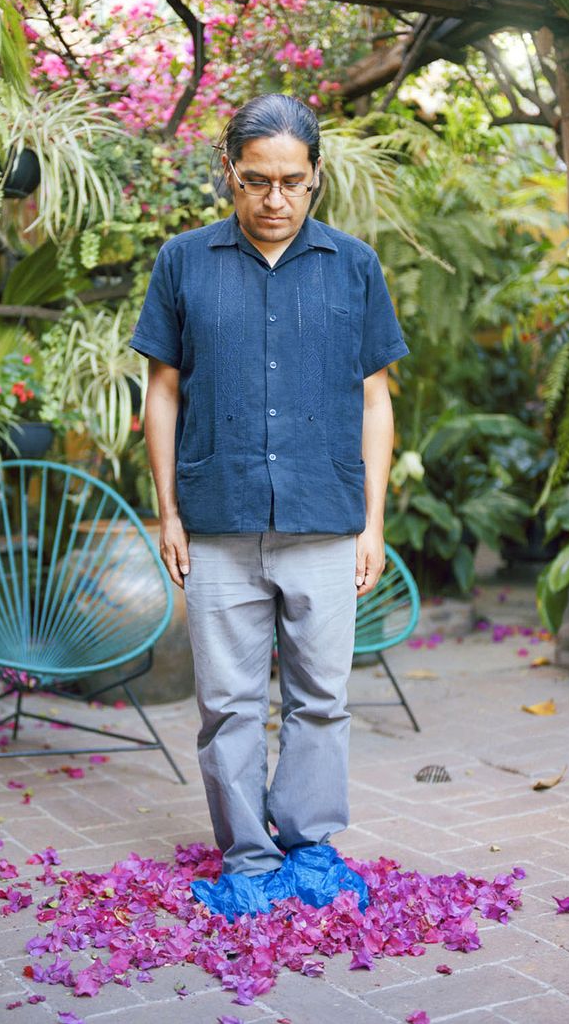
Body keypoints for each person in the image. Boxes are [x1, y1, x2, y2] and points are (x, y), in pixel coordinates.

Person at [130, 93, 408, 919]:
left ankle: (310, 845)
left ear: (316, 174)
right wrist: (168, 511)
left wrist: (374, 521)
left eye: (292, 181)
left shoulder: (353, 266)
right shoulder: (183, 262)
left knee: (321, 696)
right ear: (230, 172)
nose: (276, 199)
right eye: (257, 180)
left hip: (325, 516)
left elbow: (376, 400)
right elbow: (162, 391)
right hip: (218, 517)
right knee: (228, 705)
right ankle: (249, 858)